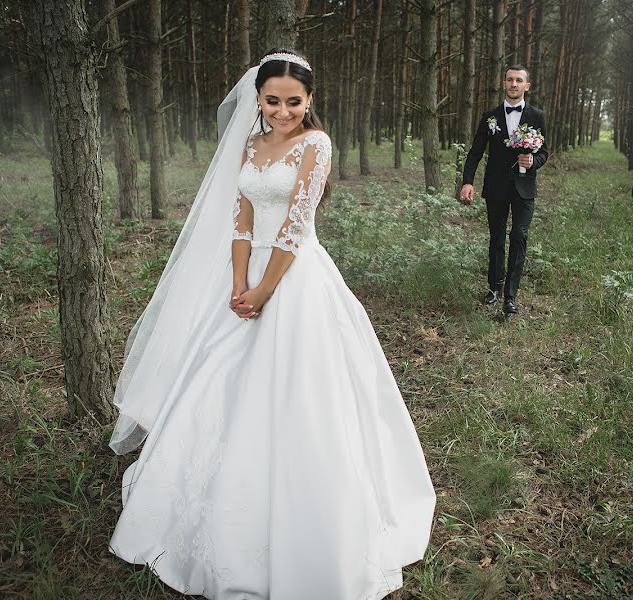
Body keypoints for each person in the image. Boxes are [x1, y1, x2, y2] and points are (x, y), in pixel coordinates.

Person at [107, 48, 436, 600]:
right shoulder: (251, 145)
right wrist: (238, 285)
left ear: (309, 102)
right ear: (257, 100)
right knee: (218, 378)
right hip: (246, 277)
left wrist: (263, 290)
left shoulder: (316, 145)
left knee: (300, 391)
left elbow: (294, 225)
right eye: (272, 101)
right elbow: (241, 221)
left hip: (294, 276)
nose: (282, 111)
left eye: (294, 102)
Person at [459, 65, 549, 315]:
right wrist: (467, 182)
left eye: (519, 80)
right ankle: (494, 287)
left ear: (526, 86)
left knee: (518, 237)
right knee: (496, 238)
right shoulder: (491, 116)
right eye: (510, 79)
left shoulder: (537, 116)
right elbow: (476, 152)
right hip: (496, 186)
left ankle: (511, 295)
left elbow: (544, 152)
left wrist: (533, 161)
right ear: (504, 83)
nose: (513, 84)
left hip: (524, 189)